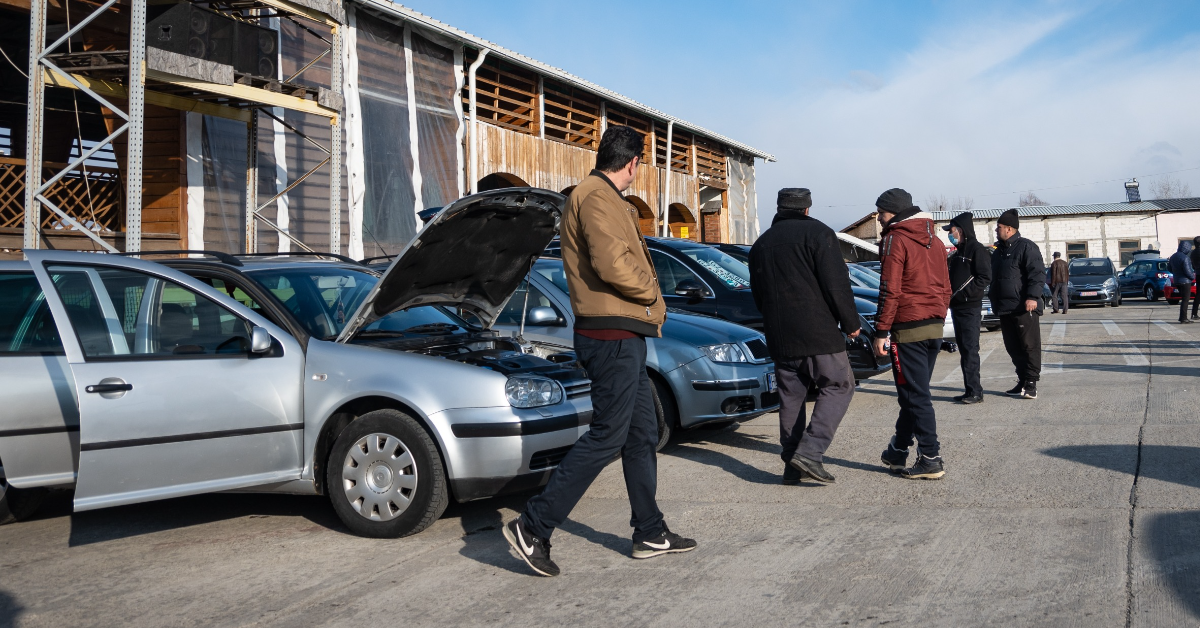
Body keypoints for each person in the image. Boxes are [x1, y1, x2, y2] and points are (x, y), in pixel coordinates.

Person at [502, 125, 696, 577]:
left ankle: (649, 530)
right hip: (610, 335)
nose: (637, 172)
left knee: (643, 431)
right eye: (638, 165)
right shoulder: (595, 196)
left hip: (621, 333)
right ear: (631, 163)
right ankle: (534, 526)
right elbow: (613, 263)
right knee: (609, 434)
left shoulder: (603, 197)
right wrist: (651, 291)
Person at [749, 188, 861, 485]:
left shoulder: (761, 244)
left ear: (780, 208)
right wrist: (851, 322)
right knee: (839, 384)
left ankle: (792, 466)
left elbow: (758, 296)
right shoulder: (819, 234)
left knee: (791, 398)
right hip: (818, 333)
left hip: (780, 337)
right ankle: (810, 453)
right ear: (807, 209)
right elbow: (836, 285)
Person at [871, 189, 952, 480]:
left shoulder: (896, 238)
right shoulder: (936, 241)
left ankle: (931, 457)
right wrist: (939, 314)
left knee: (917, 396)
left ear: (892, 212)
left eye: (880, 212)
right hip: (933, 326)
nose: (878, 218)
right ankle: (898, 450)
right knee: (911, 393)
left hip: (908, 328)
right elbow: (946, 286)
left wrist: (881, 330)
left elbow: (889, 289)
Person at [989, 209, 1045, 400]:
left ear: (1010, 229)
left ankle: (1031, 383)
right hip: (1005, 308)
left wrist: (1032, 297)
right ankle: (1022, 379)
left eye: (999, 228)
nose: (997, 231)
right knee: (1012, 347)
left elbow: (1037, 274)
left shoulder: (1026, 247)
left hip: (1024, 307)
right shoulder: (999, 252)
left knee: (1029, 346)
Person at [943, 212, 992, 404]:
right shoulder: (958, 252)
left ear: (961, 230)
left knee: (970, 349)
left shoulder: (977, 250)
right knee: (964, 349)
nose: (950, 234)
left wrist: (965, 293)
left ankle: (975, 392)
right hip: (957, 308)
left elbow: (984, 277)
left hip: (970, 307)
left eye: (952, 231)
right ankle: (969, 389)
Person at [1168, 239, 1195, 324]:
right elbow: (1188, 271)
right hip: (1185, 281)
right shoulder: (1185, 258)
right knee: (1185, 300)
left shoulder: (1173, 256)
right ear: (1186, 248)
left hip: (1177, 280)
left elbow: (1169, 268)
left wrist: (1176, 274)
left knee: (1183, 299)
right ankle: (1183, 318)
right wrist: (1192, 278)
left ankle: (1182, 317)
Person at [1190, 236, 1200, 320]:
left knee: (1198, 294)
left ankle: (1194, 313)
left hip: (1198, 273)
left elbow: (1193, 265)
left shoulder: (1193, 253)